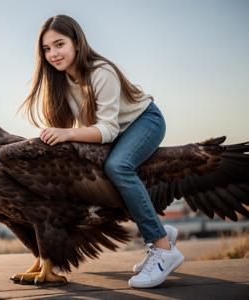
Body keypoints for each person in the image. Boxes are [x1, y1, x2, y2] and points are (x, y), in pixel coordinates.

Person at [21, 14, 184, 288]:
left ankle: (164, 248)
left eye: (59, 44)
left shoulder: (101, 72)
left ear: (76, 42)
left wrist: (68, 133)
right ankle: (159, 230)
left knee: (118, 167)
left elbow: (107, 129)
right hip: (117, 131)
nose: (53, 54)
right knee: (97, 175)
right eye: (46, 49)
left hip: (144, 121)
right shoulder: (61, 81)